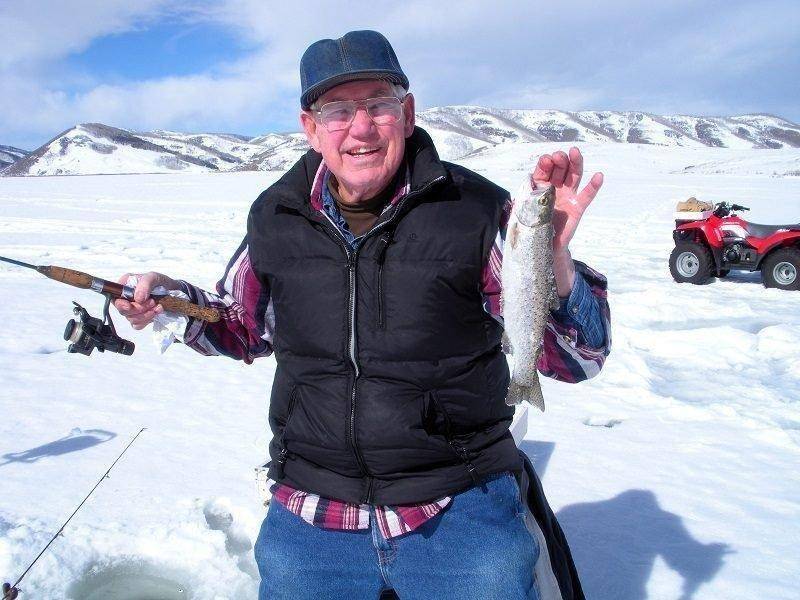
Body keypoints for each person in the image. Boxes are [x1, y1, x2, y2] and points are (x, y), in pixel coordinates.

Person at [115, 30, 610, 600]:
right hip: (311, 514)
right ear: (310, 127)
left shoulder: (475, 211)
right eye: (337, 110)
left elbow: (579, 360)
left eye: (377, 104)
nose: (360, 127)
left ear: (407, 112)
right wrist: (168, 301)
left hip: (458, 505)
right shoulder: (277, 217)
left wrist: (554, 266)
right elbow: (240, 325)